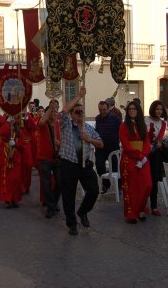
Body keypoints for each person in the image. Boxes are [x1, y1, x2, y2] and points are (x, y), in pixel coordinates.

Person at [59, 87, 103, 235]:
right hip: (68, 164)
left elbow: (101, 143)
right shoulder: (66, 125)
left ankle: (83, 211)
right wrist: (79, 96)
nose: (80, 114)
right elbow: (64, 110)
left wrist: (89, 139)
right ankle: (72, 224)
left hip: (85, 165)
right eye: (77, 112)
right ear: (72, 115)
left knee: (94, 190)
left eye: (81, 112)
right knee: (69, 195)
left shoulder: (88, 128)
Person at [119, 101, 152, 224]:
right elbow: (126, 145)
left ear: (138, 110)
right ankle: (131, 214)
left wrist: (143, 157)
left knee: (147, 185)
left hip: (143, 159)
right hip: (130, 159)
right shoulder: (123, 126)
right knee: (132, 187)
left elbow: (147, 142)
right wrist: (139, 156)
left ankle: (141, 209)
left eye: (134, 109)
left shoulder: (142, 125)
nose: (132, 111)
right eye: (129, 109)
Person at [36, 99, 61, 218]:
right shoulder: (43, 123)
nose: (55, 111)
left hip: (57, 157)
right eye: (52, 110)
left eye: (56, 109)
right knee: (46, 184)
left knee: (60, 182)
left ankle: (54, 202)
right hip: (44, 157)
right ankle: (51, 206)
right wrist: (50, 107)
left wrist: (59, 143)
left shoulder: (59, 123)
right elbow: (41, 122)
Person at [145, 100, 168, 216]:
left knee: (154, 180)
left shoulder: (163, 124)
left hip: (155, 155)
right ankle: (142, 205)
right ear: (153, 109)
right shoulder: (145, 121)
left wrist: (159, 143)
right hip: (144, 153)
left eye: (161, 109)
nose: (159, 111)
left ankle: (154, 206)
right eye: (157, 109)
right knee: (144, 180)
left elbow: (160, 137)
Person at [95, 100, 122, 194]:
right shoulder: (97, 118)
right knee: (99, 166)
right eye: (100, 109)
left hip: (113, 147)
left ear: (108, 109)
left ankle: (119, 186)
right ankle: (106, 184)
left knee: (116, 167)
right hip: (101, 147)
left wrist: (119, 140)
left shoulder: (115, 118)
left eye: (104, 110)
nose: (102, 112)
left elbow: (122, 129)